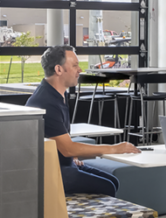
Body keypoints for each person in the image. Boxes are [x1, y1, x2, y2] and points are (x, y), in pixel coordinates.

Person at [26, 45, 138, 196]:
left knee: (113, 182)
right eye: (75, 65)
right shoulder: (47, 102)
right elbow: (67, 149)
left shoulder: (54, 94)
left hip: (64, 164)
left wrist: (73, 156)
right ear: (59, 70)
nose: (80, 70)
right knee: (108, 187)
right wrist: (114, 148)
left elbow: (60, 141)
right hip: (52, 172)